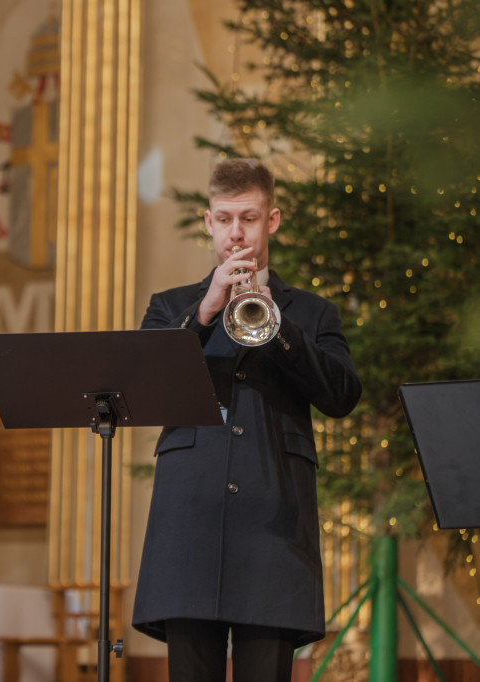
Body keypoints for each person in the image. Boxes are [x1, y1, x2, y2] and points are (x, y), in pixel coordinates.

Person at [131, 158, 362, 681]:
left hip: (273, 522)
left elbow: (342, 395)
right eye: (226, 219)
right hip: (189, 521)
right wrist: (207, 310)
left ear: (272, 220)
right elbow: (145, 389)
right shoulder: (170, 308)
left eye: (250, 219)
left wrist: (279, 326)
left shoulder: (313, 313)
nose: (238, 233)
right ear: (208, 222)